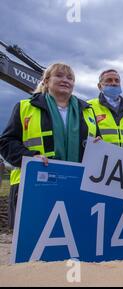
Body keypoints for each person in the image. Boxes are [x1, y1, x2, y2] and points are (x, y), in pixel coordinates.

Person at [0, 63, 100, 229]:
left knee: (73, 237)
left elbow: (98, 143)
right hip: (33, 185)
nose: (65, 80)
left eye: (70, 78)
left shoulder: (87, 112)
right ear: (46, 81)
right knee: (34, 240)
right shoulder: (25, 107)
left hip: (77, 185)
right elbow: (6, 142)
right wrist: (30, 157)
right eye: (59, 76)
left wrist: (98, 145)